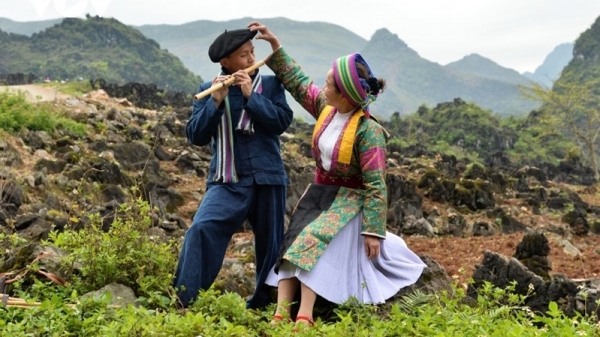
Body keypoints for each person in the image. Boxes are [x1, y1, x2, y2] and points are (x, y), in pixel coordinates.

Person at [248, 21, 427, 327]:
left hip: (348, 200)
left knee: (311, 240)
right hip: (318, 195)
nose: (323, 86)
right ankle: (280, 313)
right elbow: (299, 83)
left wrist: (373, 231)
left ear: (344, 94)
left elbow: (375, 184)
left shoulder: (369, 132)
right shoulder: (326, 109)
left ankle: (304, 315)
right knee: (291, 242)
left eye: (329, 83)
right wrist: (275, 47)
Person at [173, 28, 294, 309]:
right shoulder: (210, 88)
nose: (252, 57)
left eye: (252, 51)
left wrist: (253, 97)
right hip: (227, 179)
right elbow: (196, 136)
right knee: (201, 229)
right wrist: (215, 101)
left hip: (268, 177)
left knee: (271, 245)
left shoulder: (272, 86)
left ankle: (265, 304)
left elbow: (281, 122)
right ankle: (183, 301)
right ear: (226, 62)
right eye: (244, 55)